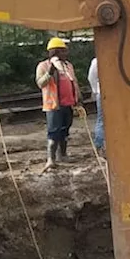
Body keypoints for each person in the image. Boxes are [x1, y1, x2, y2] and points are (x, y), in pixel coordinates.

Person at [36, 37, 84, 167]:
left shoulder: (68, 66)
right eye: (63, 51)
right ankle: (50, 159)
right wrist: (49, 73)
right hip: (53, 105)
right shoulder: (43, 66)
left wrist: (78, 98)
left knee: (65, 131)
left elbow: (74, 82)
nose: (65, 53)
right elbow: (40, 83)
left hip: (68, 104)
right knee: (53, 131)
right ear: (55, 52)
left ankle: (62, 155)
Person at [87, 57, 103, 152]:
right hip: (102, 93)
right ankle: (100, 144)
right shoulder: (97, 61)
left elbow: (91, 77)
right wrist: (96, 90)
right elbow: (91, 77)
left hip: (101, 92)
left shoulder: (96, 61)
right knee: (102, 120)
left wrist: (96, 90)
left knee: (102, 120)